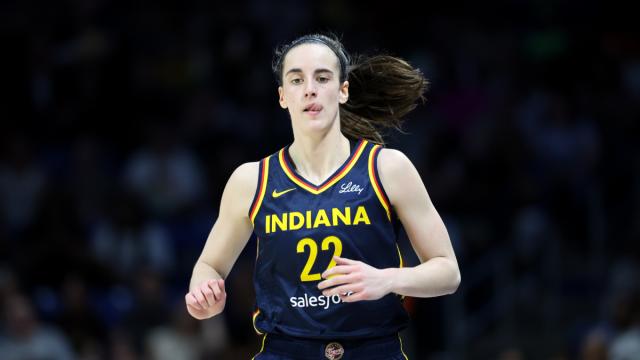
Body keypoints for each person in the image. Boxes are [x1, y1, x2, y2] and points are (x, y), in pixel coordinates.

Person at [185, 33, 461, 359]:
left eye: (322, 77)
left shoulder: (388, 168)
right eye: (297, 79)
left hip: (374, 349)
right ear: (283, 96)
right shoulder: (251, 180)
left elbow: (448, 272)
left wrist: (387, 280)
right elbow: (209, 266)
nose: (310, 88)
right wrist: (203, 294)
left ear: (343, 90)